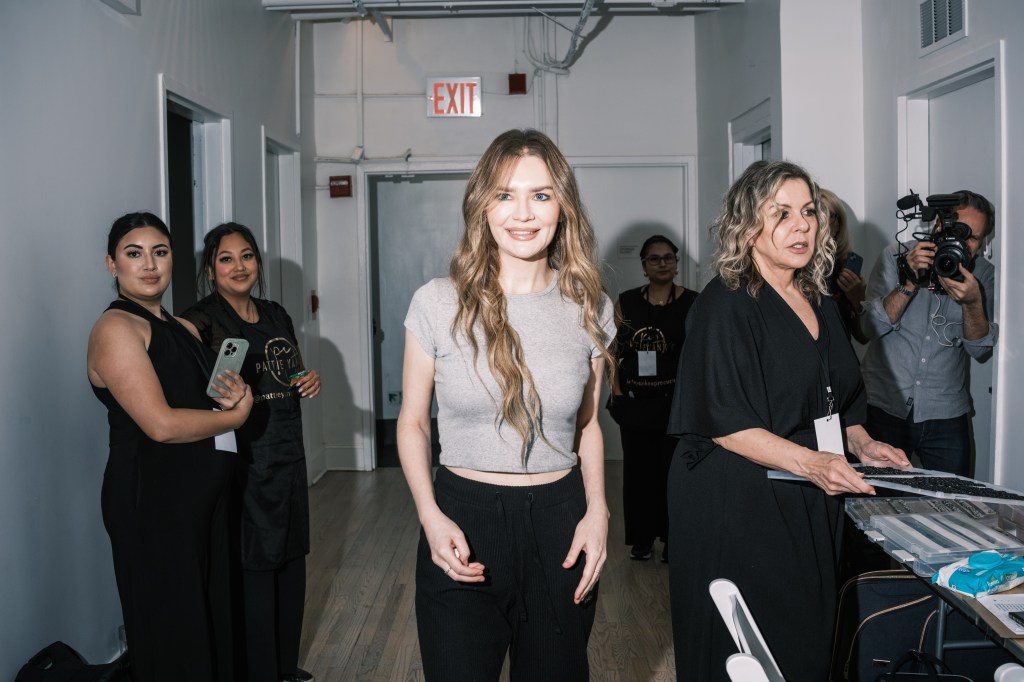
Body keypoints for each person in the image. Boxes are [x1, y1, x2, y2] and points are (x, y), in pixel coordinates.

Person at [665, 161, 910, 681]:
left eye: (808, 212)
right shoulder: (725, 304)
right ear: (747, 226)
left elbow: (835, 396)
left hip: (805, 487)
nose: (801, 226)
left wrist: (862, 442)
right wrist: (814, 463)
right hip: (738, 500)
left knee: (804, 640)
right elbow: (725, 422)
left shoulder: (817, 296)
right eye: (780, 214)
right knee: (749, 653)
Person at [397, 128, 616, 682]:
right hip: (462, 518)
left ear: (562, 206)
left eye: (541, 195)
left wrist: (597, 513)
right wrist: (430, 515)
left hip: (560, 523)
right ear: (482, 205)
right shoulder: (436, 302)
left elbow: (588, 426)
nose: (523, 212)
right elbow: (414, 423)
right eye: (505, 194)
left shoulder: (588, 306)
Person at [87, 212, 253, 682]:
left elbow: (194, 403)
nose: (149, 265)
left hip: (198, 499)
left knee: (205, 620)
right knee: (171, 630)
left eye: (159, 252)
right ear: (111, 264)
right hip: (151, 500)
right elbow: (159, 425)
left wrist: (234, 393)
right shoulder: (117, 329)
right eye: (133, 254)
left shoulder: (184, 327)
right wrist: (235, 416)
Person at [182, 223, 321, 682]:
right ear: (210, 269)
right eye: (226, 258)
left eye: (247, 256)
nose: (239, 267)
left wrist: (308, 379)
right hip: (242, 463)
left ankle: (283, 666)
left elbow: (290, 371)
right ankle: (258, 671)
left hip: (288, 456)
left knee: (291, 564)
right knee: (255, 570)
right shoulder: (199, 321)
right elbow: (187, 393)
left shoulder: (276, 313)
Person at [860, 190, 997, 477]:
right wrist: (909, 282)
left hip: (946, 411)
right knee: (877, 503)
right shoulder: (896, 255)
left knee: (953, 505)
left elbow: (979, 349)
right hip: (885, 404)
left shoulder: (982, 273)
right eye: (957, 230)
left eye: (972, 236)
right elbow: (869, 328)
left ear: (983, 242)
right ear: (938, 226)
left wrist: (972, 302)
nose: (962, 241)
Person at [608, 235, 697, 562]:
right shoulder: (626, 302)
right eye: (654, 259)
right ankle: (642, 540)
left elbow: (700, 356)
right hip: (636, 403)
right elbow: (609, 353)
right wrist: (617, 394)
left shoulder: (693, 302)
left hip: (675, 404)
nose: (662, 263)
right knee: (638, 475)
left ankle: (674, 539)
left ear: (676, 262)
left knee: (674, 476)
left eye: (668, 257)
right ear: (644, 266)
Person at [821, 188, 869, 344]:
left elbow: (863, 337)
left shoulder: (845, 270)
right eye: (813, 213)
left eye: (828, 215)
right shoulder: (790, 269)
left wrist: (858, 299)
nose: (821, 221)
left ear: (838, 226)